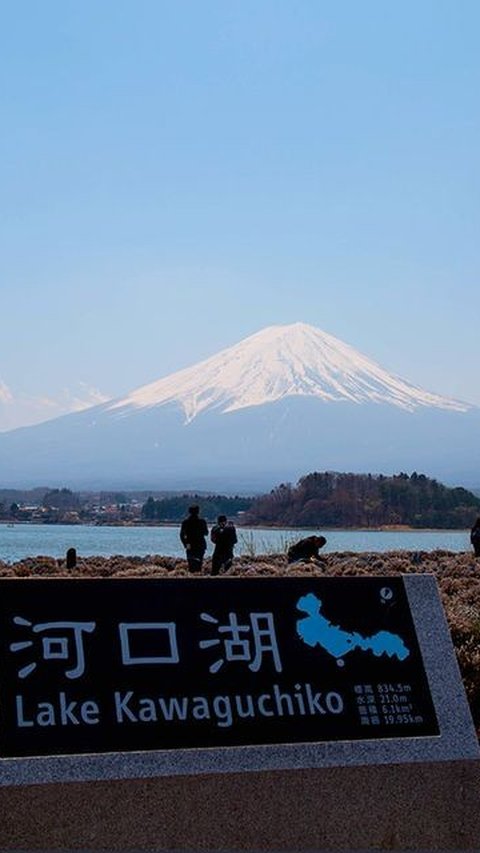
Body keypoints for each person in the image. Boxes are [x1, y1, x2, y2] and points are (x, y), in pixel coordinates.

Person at [180, 505, 208, 573]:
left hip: (190, 545)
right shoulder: (202, 522)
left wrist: (185, 544)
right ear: (198, 512)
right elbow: (206, 533)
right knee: (199, 564)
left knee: (191, 564)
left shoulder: (185, 522)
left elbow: (181, 535)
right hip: (200, 545)